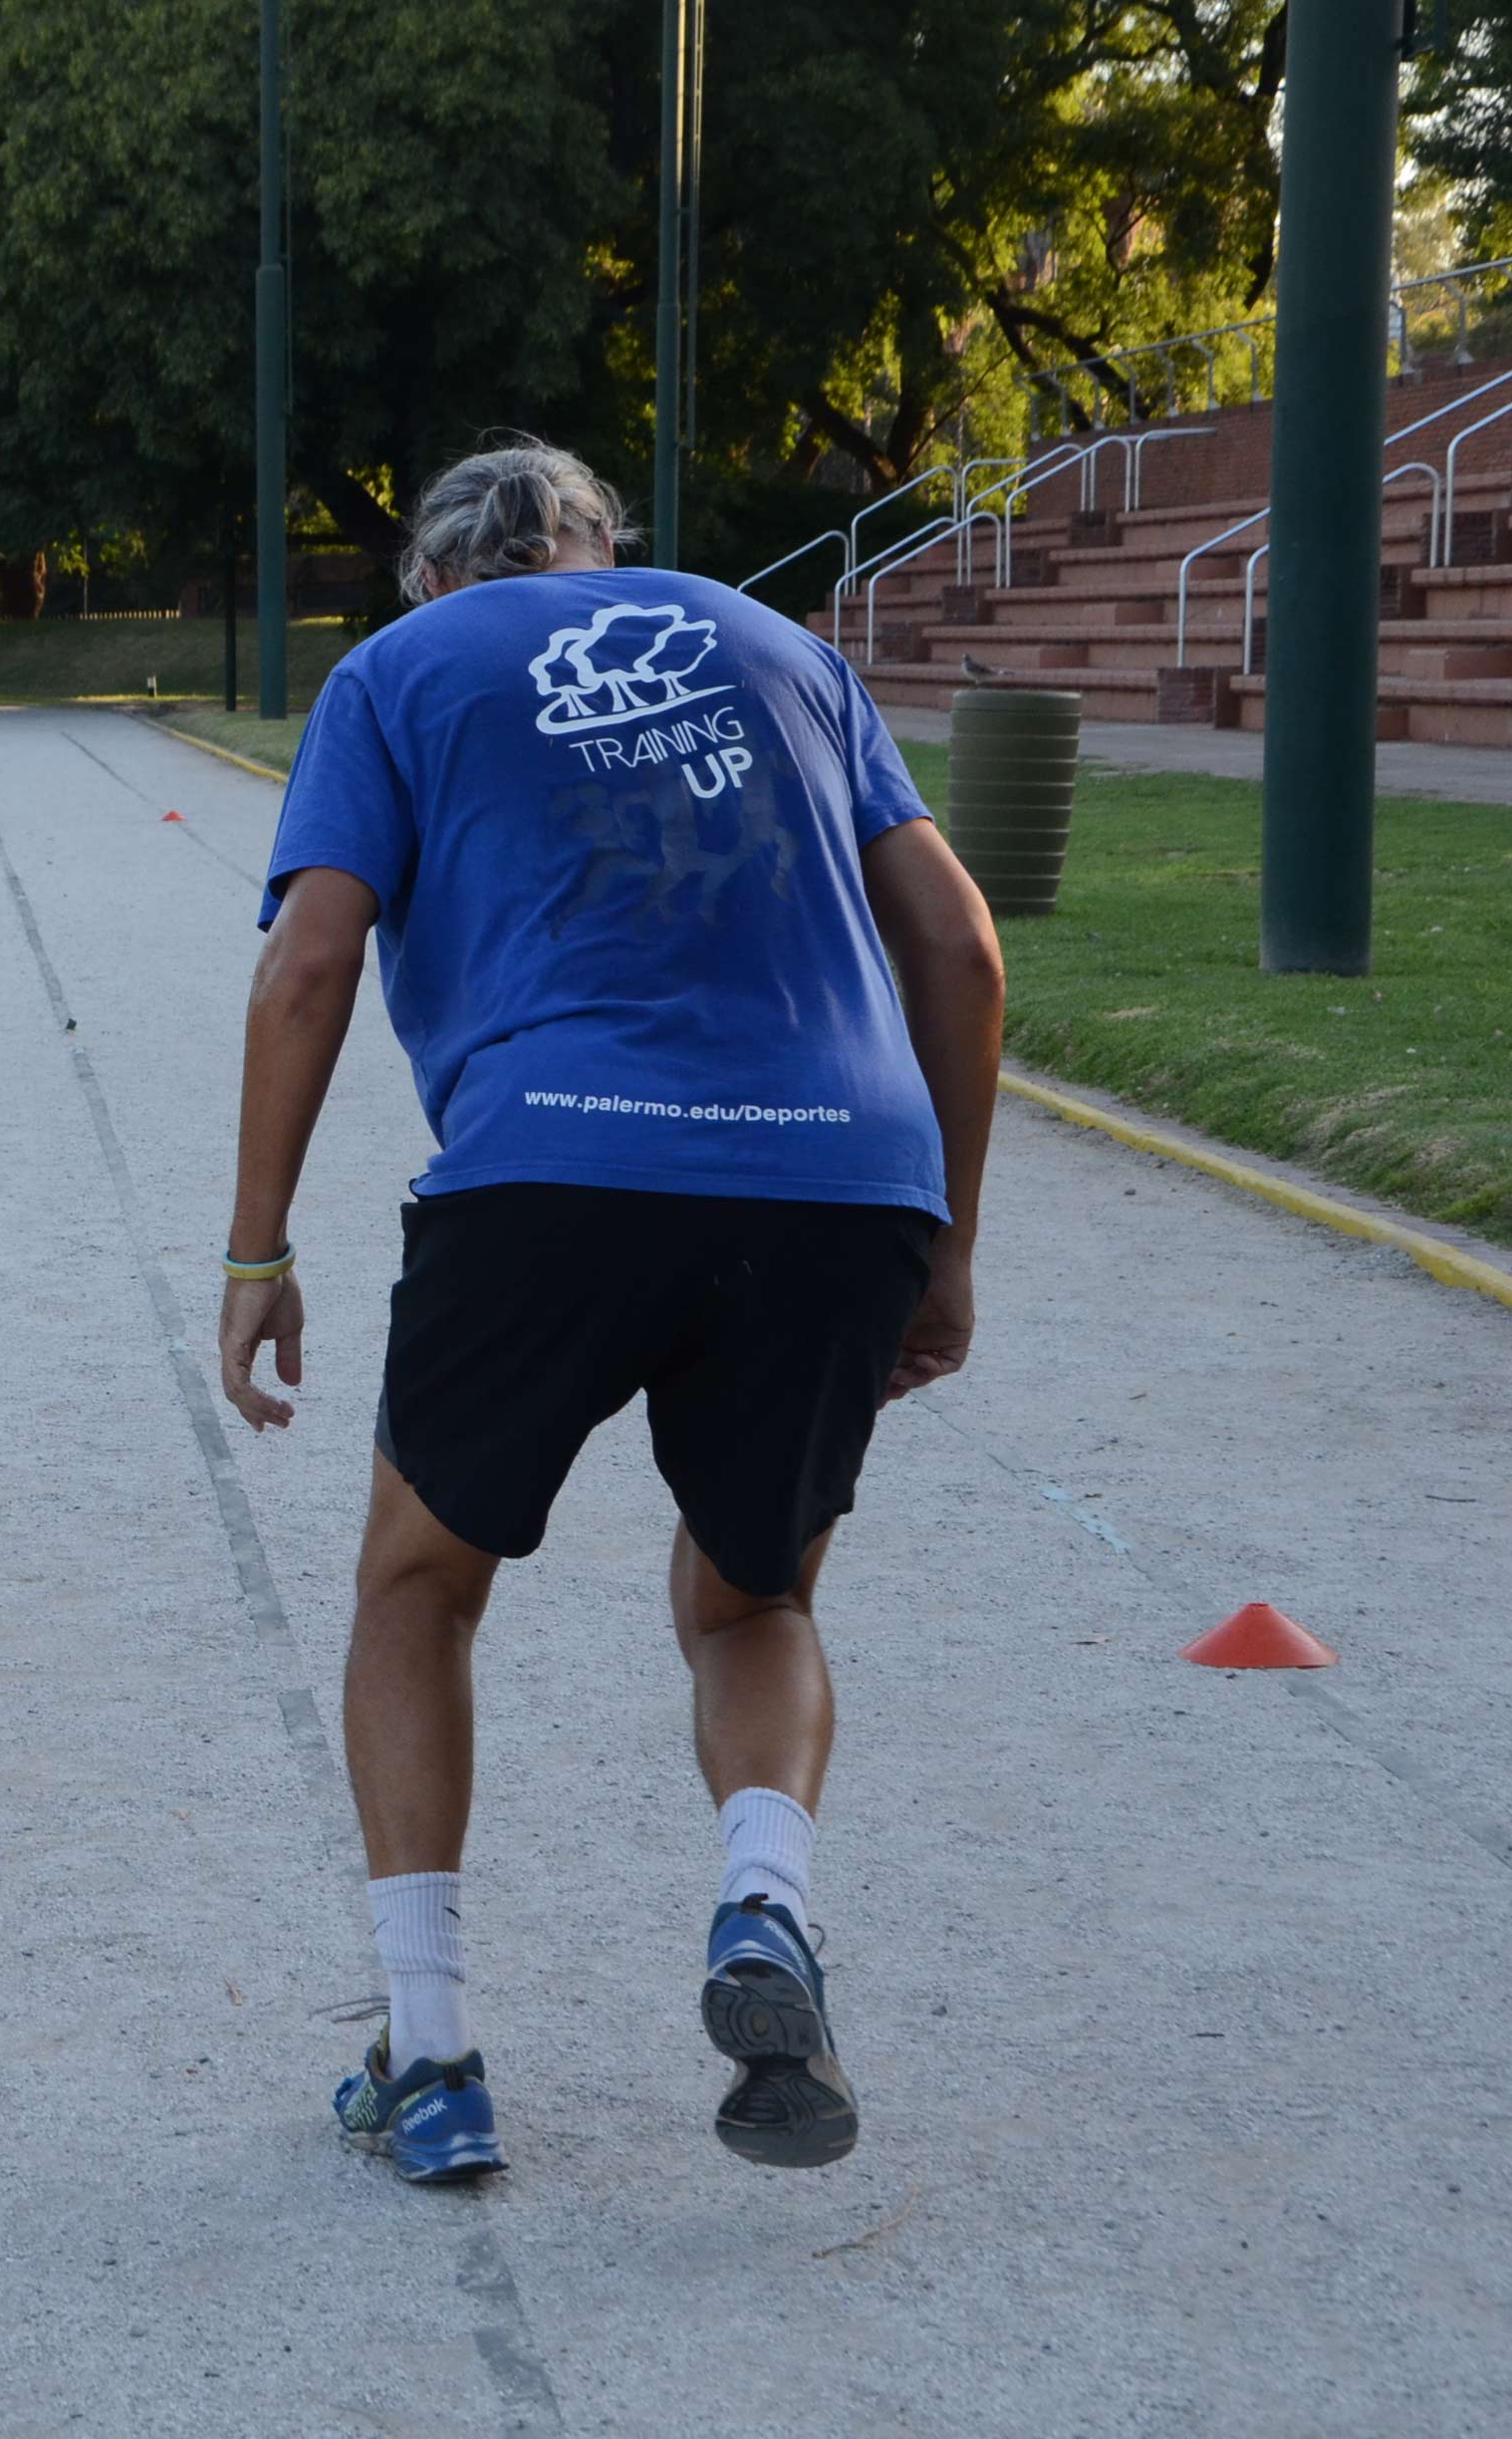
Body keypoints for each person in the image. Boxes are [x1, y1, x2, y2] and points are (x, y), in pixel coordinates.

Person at [213, 441, 1003, 2182]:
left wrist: (256, 1246)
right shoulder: (781, 643)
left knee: (419, 1584)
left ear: (435, 577)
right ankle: (764, 1901)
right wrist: (941, 1237)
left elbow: (309, 961)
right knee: (754, 1596)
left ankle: (431, 2059)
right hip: (835, 1170)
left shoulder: (400, 670)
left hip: (551, 1171)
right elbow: (957, 946)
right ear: (607, 549)